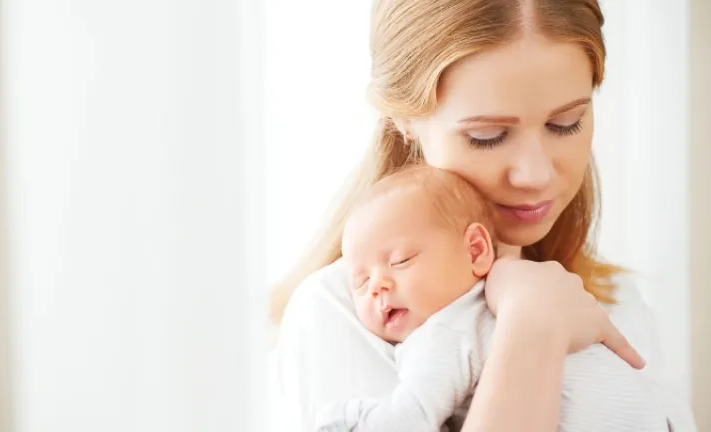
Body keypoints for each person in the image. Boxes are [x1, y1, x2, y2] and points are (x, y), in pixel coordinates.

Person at [271, 1, 697, 431]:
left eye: (566, 123)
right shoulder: (352, 313)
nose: (535, 174)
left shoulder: (613, 298)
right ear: (404, 121)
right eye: (487, 137)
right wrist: (530, 324)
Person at [313, 164, 666, 431]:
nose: (377, 286)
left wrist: (343, 417)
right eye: (360, 283)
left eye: (400, 261)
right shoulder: (513, 301)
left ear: (476, 249)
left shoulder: (447, 330)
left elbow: (412, 419)